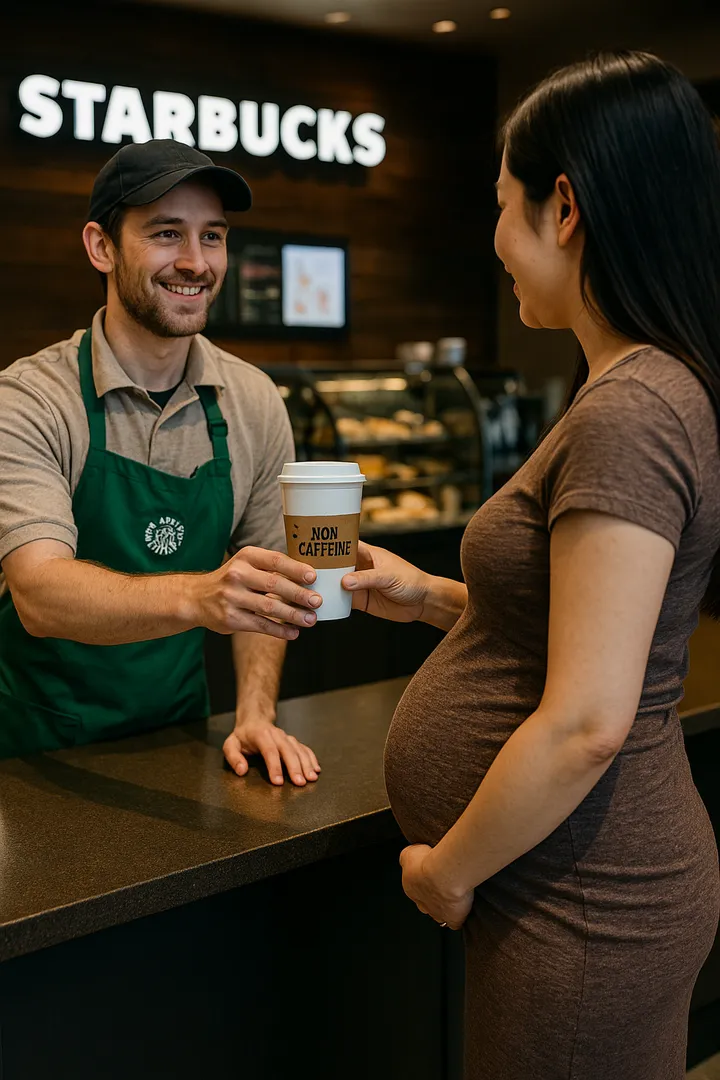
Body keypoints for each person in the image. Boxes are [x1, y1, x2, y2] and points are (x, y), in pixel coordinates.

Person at [341, 51, 720, 1079]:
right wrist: (428, 598)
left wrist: (448, 873)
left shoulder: (630, 413)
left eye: (502, 204)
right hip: (582, 891)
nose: (495, 239)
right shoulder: (645, 389)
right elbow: (585, 624)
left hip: (584, 906)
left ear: (565, 208)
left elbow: (590, 720)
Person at [0, 139, 322, 786]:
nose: (195, 262)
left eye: (213, 237)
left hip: (183, 741)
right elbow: (39, 594)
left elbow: (266, 580)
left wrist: (255, 712)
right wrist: (202, 595)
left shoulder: (252, 399)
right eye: (166, 233)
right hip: (34, 754)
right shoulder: (30, 398)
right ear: (101, 246)